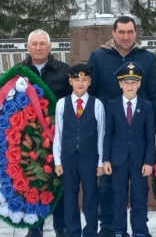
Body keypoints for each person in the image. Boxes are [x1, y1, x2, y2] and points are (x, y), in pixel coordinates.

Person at [88, 16, 156, 237]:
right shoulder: (97, 57)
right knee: (107, 184)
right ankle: (108, 225)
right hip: (108, 131)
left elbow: (154, 93)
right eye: (121, 31)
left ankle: (139, 228)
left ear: (136, 33)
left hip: (137, 130)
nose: (126, 36)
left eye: (130, 32)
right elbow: (91, 92)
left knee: (139, 191)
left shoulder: (147, 58)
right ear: (113, 32)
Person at [21, 29, 70, 237]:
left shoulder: (64, 71)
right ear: (28, 47)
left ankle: (62, 227)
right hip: (29, 140)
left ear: (50, 47)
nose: (38, 48)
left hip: (58, 138)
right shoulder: (19, 72)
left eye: (43, 44)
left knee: (60, 183)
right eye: (34, 44)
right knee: (34, 181)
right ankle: (35, 227)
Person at [102, 62, 155, 237]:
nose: (130, 86)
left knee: (139, 197)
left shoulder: (146, 106)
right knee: (118, 197)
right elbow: (107, 133)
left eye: (133, 82)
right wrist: (106, 159)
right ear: (120, 84)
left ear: (139, 84)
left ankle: (140, 231)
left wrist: (149, 161)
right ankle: (119, 230)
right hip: (118, 159)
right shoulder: (112, 104)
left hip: (140, 161)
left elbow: (149, 136)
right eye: (126, 82)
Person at [53, 64, 106, 237]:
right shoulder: (62, 103)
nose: (80, 83)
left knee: (90, 196)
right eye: (76, 80)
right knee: (70, 197)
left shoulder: (97, 104)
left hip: (89, 158)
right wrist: (57, 160)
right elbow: (58, 133)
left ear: (90, 81)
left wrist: (100, 162)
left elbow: (101, 134)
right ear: (70, 81)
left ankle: (90, 232)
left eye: (84, 80)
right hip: (68, 157)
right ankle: (73, 232)